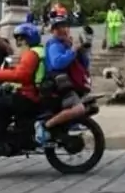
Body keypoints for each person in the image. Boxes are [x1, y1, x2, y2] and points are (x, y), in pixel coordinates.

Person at [0, 22, 45, 161]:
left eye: (21, 38)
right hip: (34, 92)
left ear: (28, 38)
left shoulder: (31, 54)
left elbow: (21, 75)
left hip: (29, 95)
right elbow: (22, 73)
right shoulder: (39, 51)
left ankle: (0, 144)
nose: (18, 42)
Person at [36, 14, 90, 146]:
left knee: (88, 107)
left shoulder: (66, 44)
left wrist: (80, 50)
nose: (62, 30)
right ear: (52, 31)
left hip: (68, 83)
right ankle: (44, 127)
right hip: (58, 84)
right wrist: (72, 50)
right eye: (57, 28)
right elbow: (57, 63)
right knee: (79, 109)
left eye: (64, 26)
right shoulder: (54, 44)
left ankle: (68, 125)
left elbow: (84, 64)